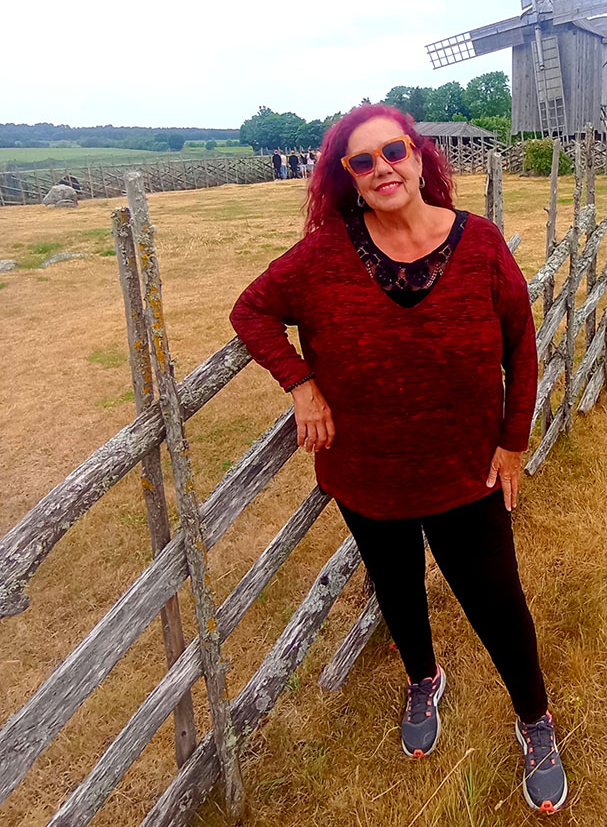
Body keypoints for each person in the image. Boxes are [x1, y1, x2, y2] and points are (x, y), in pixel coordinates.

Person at [230, 103, 568, 814]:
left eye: (393, 151)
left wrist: (513, 441)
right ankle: (423, 678)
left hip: (465, 470)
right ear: (347, 176)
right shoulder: (324, 253)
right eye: (363, 160)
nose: (382, 168)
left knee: (497, 601)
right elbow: (251, 311)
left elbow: (521, 346)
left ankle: (534, 718)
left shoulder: (480, 243)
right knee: (397, 586)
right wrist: (301, 383)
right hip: (368, 470)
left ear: (418, 155)